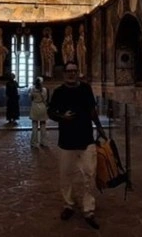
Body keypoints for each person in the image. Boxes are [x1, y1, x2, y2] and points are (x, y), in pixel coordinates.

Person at [48, 61, 107, 230]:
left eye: (74, 71)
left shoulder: (86, 89)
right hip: (67, 141)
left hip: (86, 139)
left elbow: (92, 111)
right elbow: (51, 112)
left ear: (78, 72)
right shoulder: (59, 92)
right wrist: (62, 117)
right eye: (69, 71)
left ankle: (88, 209)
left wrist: (100, 128)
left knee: (89, 174)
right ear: (64, 73)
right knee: (66, 175)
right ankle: (68, 204)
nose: (71, 74)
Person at [29, 76, 49, 148]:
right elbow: (45, 99)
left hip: (35, 107)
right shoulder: (44, 90)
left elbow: (30, 98)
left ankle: (34, 143)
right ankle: (44, 142)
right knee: (43, 126)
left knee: (34, 126)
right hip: (42, 107)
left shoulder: (32, 89)